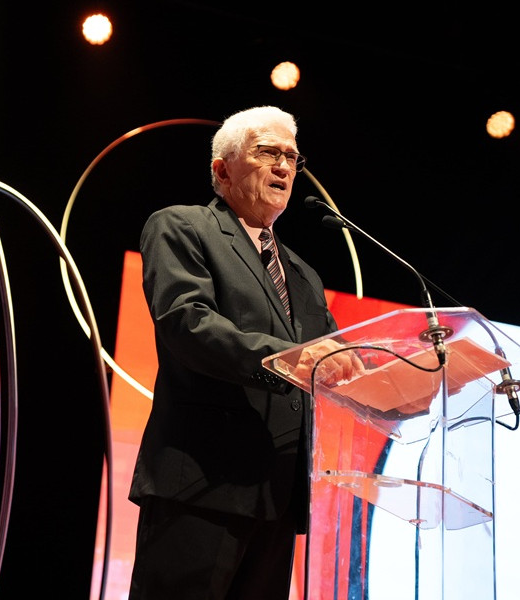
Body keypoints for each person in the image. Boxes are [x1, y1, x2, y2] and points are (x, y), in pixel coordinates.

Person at [127, 105, 363, 599]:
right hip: (201, 484)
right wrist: (292, 361)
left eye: (292, 157)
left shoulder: (303, 274)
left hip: (278, 497)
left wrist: (408, 380)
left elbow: (336, 360)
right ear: (222, 170)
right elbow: (188, 324)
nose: (284, 167)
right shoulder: (181, 226)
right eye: (267, 152)